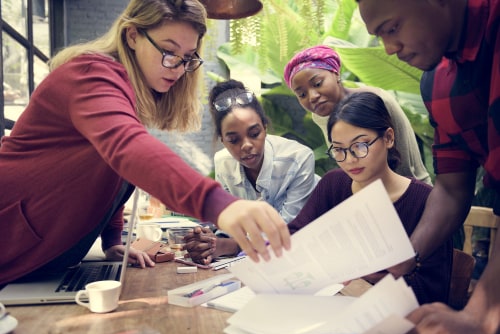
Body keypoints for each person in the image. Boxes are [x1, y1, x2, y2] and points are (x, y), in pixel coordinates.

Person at [0, 0, 291, 286]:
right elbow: (127, 148)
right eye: (168, 51)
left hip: (42, 258)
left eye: (188, 57)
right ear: (133, 35)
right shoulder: (89, 75)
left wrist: (112, 240)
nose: (177, 68)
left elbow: (111, 171)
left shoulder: (124, 92)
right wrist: (220, 205)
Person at [185, 91, 452, 305]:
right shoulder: (334, 184)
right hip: (334, 310)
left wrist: (359, 275)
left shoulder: (426, 202)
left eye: (360, 146)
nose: (350, 160)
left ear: (389, 138)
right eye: (339, 150)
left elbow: (432, 292)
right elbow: (294, 236)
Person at [357, 0, 500, 334]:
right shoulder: (437, 83)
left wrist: (479, 316)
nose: (390, 49)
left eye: (392, 28)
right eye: (379, 36)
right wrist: (408, 253)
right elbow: (452, 188)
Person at [283, 45, 432, 185]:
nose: (312, 96)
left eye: (317, 84)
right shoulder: (321, 115)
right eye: (302, 94)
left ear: (336, 74)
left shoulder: (376, 101)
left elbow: (405, 161)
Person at [210, 79, 319, 224]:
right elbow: (230, 220)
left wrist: (234, 244)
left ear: (265, 128)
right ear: (222, 140)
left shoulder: (298, 159)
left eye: (254, 134)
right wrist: (213, 241)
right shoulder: (223, 162)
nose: (246, 145)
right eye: (234, 140)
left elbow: (289, 227)